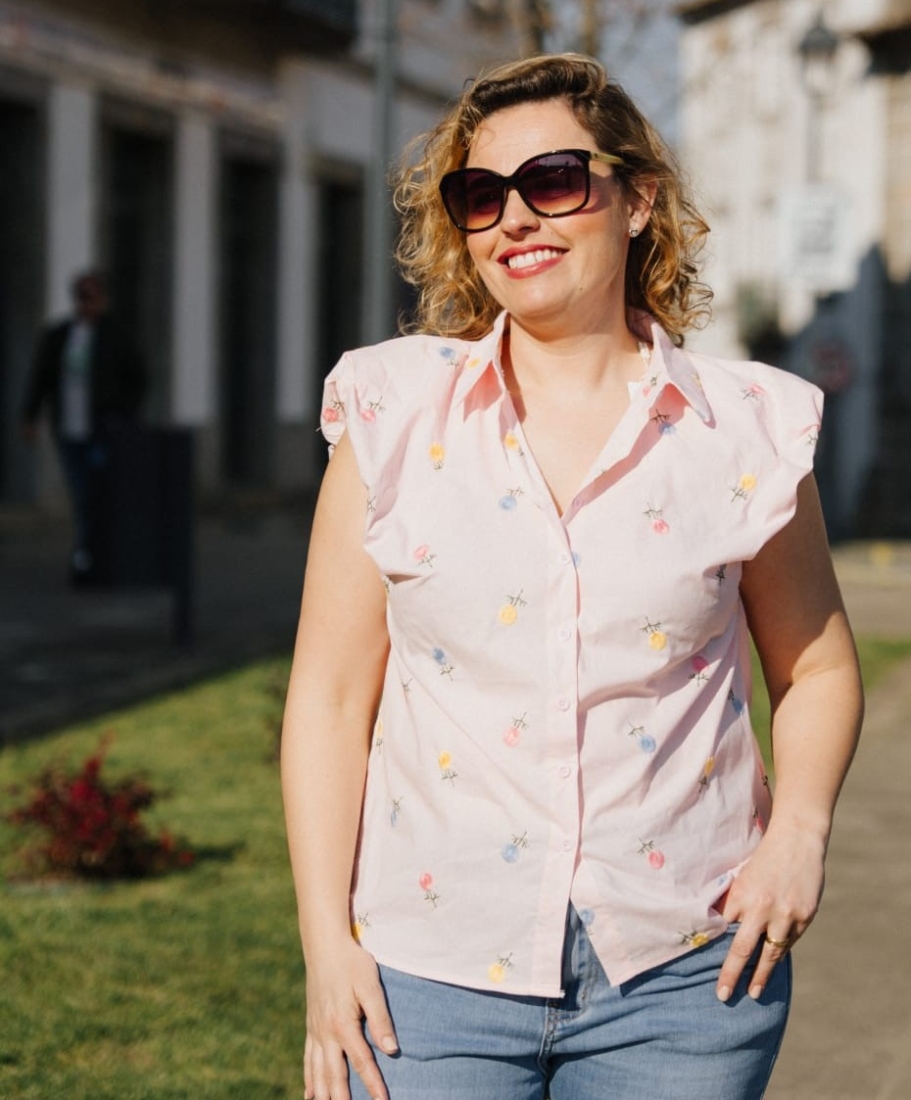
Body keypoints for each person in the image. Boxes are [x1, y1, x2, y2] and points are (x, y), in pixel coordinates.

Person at [281, 53, 864, 1100]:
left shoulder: (744, 430)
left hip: (686, 980)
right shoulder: (389, 415)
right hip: (427, 979)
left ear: (637, 199)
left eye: (553, 180)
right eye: (480, 194)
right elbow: (327, 698)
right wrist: (328, 945)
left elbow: (814, 667)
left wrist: (799, 832)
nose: (515, 217)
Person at [21, 270, 147, 581]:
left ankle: (94, 556)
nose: (85, 304)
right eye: (81, 297)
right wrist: (30, 415)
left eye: (91, 297)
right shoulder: (61, 336)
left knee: (98, 495)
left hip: (102, 430)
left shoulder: (116, 336)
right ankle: (86, 556)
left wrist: (123, 415)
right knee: (82, 496)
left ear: (102, 300)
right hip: (69, 430)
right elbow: (42, 378)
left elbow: (138, 377)